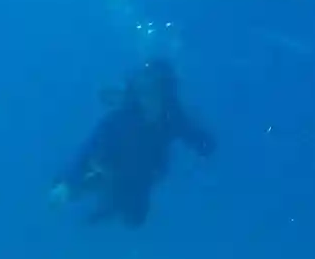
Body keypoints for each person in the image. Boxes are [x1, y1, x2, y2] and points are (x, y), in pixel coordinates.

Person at [50, 57, 214, 227]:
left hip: (145, 176)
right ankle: (96, 206)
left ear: (167, 94)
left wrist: (203, 146)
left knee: (134, 219)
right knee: (91, 190)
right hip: (110, 169)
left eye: (157, 92)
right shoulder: (120, 119)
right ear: (137, 92)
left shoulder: (173, 118)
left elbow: (202, 140)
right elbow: (88, 150)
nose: (150, 99)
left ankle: (106, 209)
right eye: (145, 92)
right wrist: (66, 183)